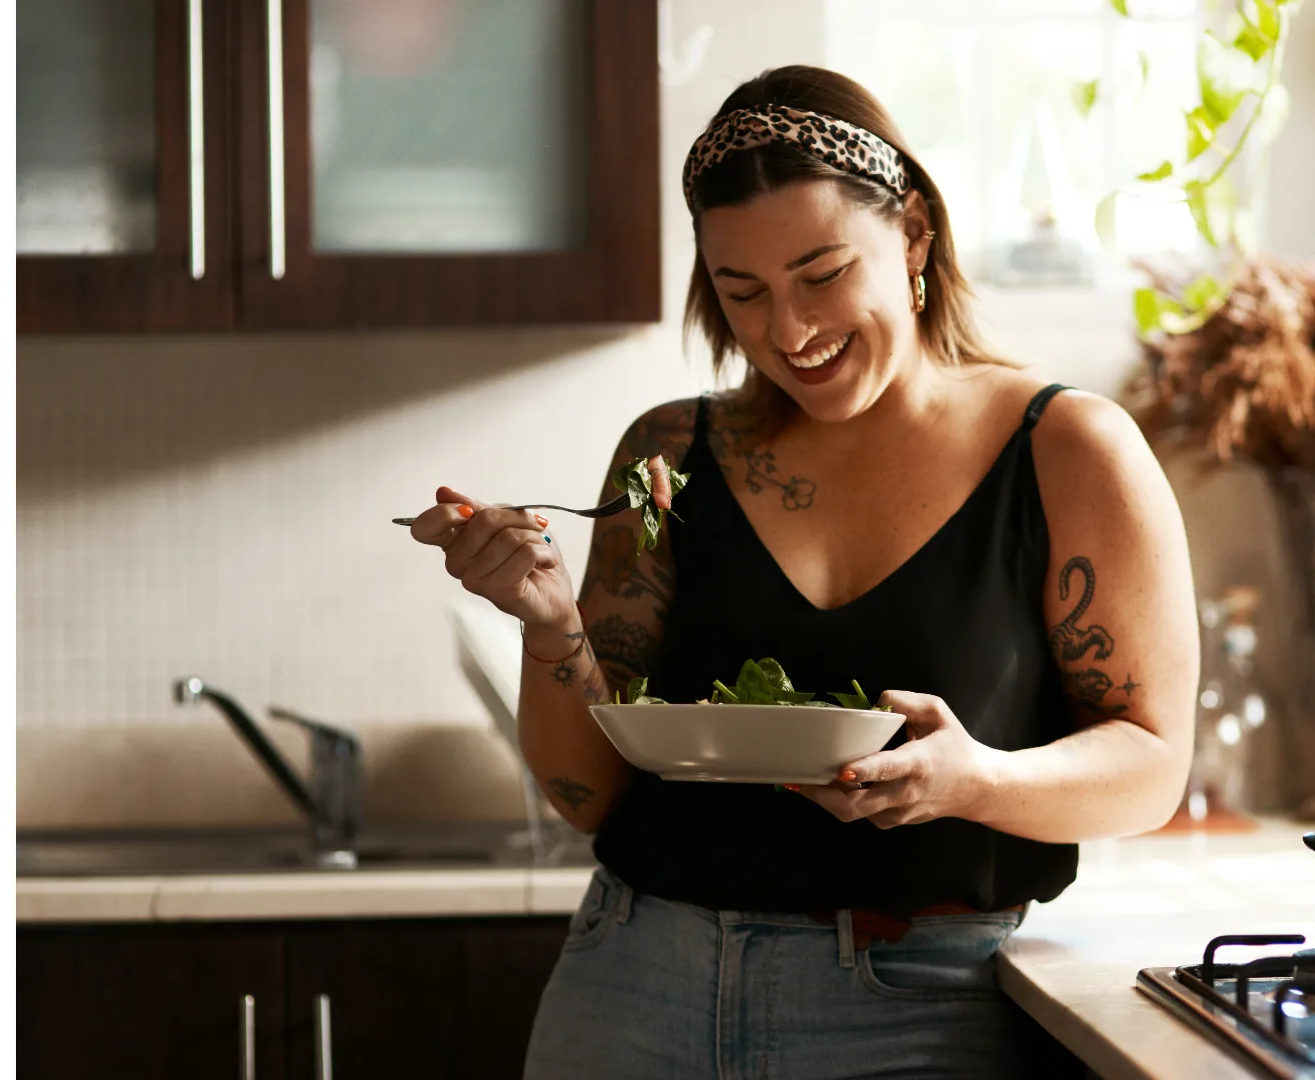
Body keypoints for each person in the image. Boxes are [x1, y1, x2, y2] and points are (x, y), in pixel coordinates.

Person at [408, 65, 1198, 1080]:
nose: (791, 333)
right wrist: (548, 622)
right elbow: (589, 795)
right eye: (744, 294)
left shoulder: (1067, 449)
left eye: (824, 275)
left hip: (922, 1007)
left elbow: (1150, 766)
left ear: (912, 233)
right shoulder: (670, 453)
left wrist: (973, 782)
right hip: (632, 982)